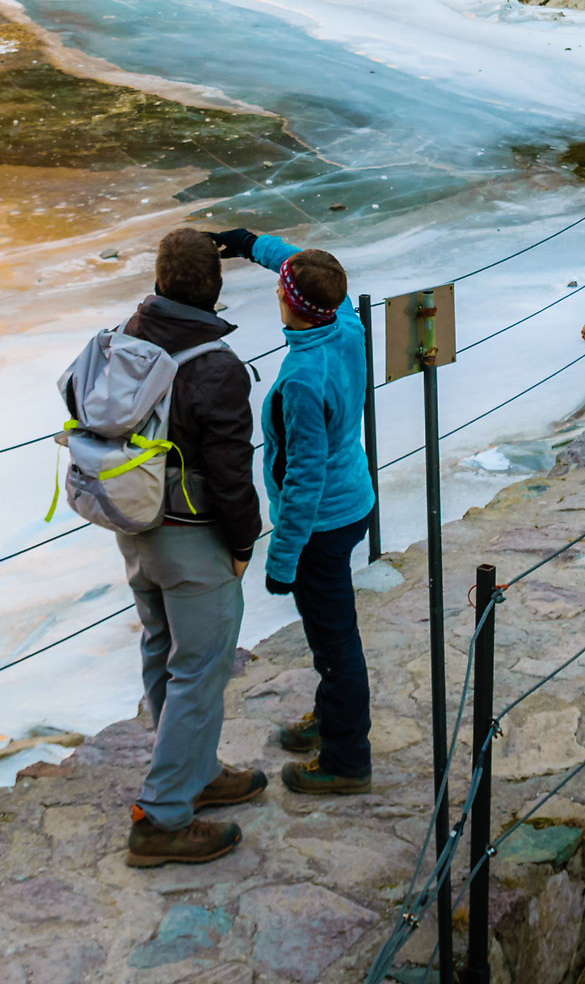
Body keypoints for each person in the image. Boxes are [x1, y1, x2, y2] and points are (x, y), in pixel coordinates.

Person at [115, 230, 268, 868]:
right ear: (216, 287)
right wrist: (243, 542)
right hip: (191, 531)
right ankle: (163, 815)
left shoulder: (125, 334)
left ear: (159, 280)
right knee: (201, 669)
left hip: (133, 518)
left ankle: (194, 773)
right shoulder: (215, 365)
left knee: (161, 647)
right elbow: (231, 473)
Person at [210, 226, 376, 794]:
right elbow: (302, 269)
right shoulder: (344, 324)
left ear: (286, 300)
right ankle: (332, 718)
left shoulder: (304, 380)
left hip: (320, 523)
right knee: (332, 631)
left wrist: (281, 559)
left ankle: (346, 760)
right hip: (351, 501)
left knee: (336, 643)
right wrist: (253, 242)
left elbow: (304, 480)